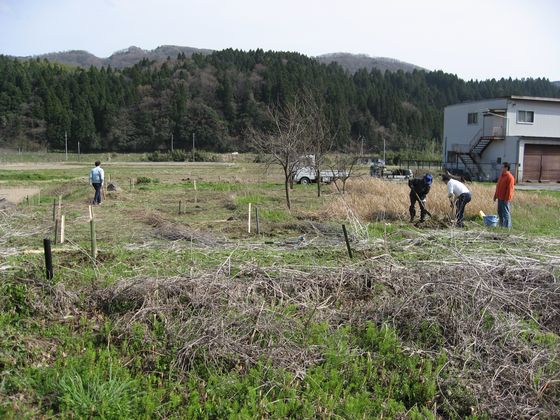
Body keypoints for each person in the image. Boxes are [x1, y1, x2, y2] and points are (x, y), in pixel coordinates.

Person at [493, 162, 515, 228]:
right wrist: (495, 195)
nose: (501, 168)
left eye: (502, 167)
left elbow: (510, 189)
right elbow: (498, 187)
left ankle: (507, 227)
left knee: (506, 213)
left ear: (506, 168)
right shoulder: (501, 176)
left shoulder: (510, 177)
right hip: (499, 198)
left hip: (505, 199)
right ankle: (501, 226)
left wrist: (507, 199)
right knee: (500, 212)